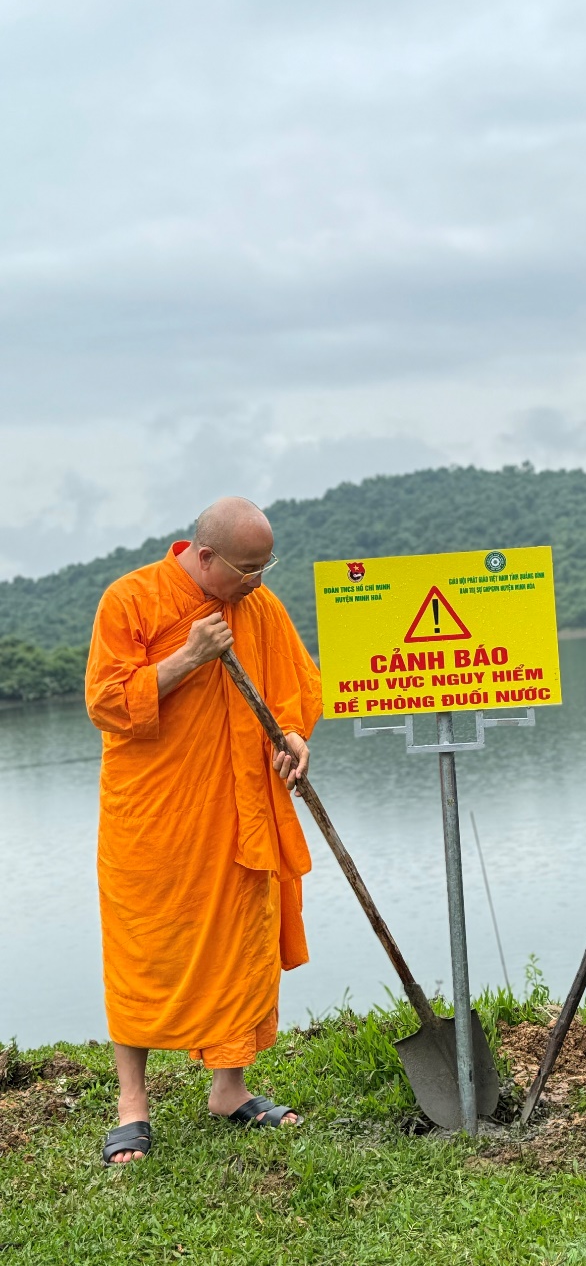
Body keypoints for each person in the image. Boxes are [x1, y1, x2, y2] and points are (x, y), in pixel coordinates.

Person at [86, 497, 322, 1165]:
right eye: (247, 567)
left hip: (239, 814)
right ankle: (132, 1104)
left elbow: (294, 685)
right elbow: (106, 703)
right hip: (155, 822)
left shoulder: (260, 605)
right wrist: (188, 656)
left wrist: (295, 736)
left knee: (240, 941)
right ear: (205, 555)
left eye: (264, 565)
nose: (257, 579)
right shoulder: (131, 599)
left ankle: (230, 1088)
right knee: (142, 952)